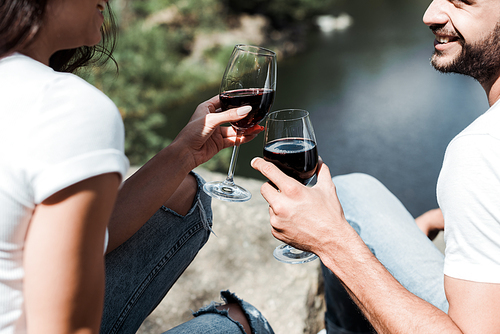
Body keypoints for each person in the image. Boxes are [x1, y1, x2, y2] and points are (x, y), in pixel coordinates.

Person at [0, 0, 275, 333]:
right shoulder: (65, 106)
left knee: (184, 192)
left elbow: (72, 240)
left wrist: (183, 154)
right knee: (236, 325)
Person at [251, 0, 500, 333]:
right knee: (356, 189)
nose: (429, 15)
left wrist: (332, 240)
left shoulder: (478, 149)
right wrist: (449, 215)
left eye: (461, 1)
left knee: (348, 203)